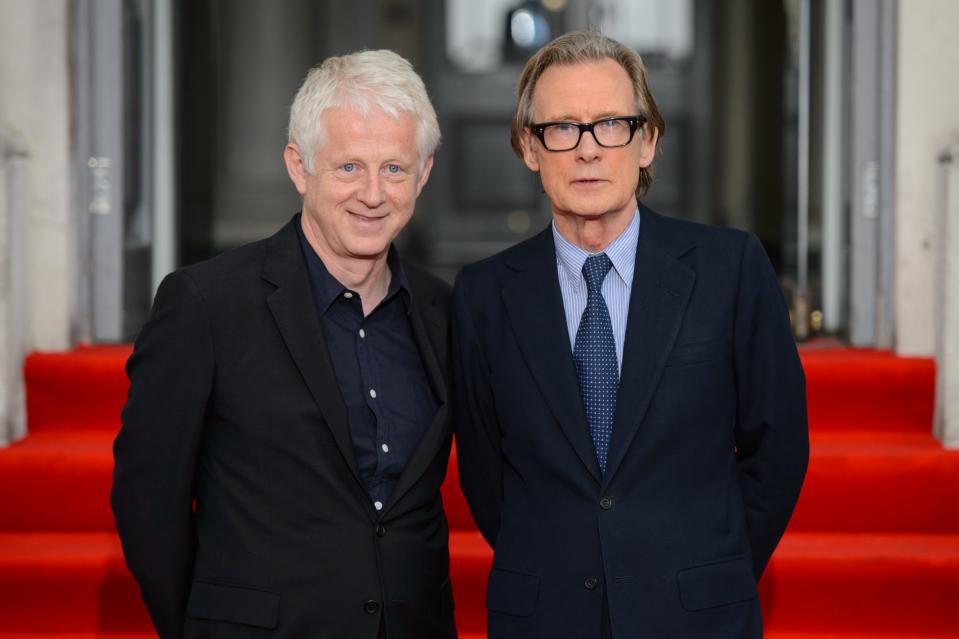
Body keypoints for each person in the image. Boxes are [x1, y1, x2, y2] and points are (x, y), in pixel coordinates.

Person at [452, 31, 808, 639]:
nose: (587, 150)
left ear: (648, 141)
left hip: (699, 612)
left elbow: (777, 448)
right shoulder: (484, 295)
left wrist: (712, 568)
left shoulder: (730, 270)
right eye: (561, 128)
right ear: (528, 149)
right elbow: (487, 478)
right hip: (544, 615)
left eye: (610, 124)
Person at [112, 50, 456, 639]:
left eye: (394, 169)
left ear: (423, 174)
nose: (373, 194)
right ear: (300, 167)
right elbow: (148, 499)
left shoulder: (443, 311)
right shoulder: (205, 305)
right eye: (349, 167)